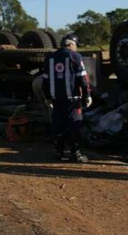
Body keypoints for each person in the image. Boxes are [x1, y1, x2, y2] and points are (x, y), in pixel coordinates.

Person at [42, 33, 92, 163]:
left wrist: (47, 97)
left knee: (58, 124)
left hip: (56, 98)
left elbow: (45, 80)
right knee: (75, 125)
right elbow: (83, 78)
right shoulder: (75, 56)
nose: (76, 48)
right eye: (75, 46)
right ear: (71, 44)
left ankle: (59, 152)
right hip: (73, 99)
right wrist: (87, 95)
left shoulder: (50, 58)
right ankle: (76, 154)